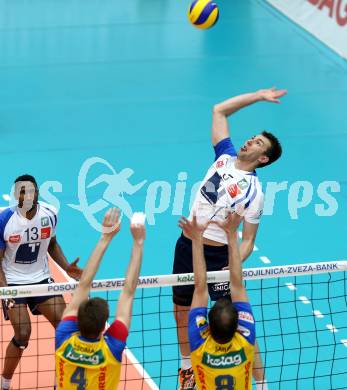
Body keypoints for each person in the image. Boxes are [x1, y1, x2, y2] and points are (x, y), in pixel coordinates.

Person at [173, 88, 286, 389]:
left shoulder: (255, 193)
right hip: (187, 246)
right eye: (253, 136)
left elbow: (248, 239)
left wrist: (230, 263)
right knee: (181, 308)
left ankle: (260, 383)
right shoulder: (224, 156)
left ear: (263, 158)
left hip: (219, 257)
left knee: (239, 321)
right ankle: (186, 369)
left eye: (258, 143)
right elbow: (219, 110)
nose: (250, 140)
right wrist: (259, 96)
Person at [0, 175, 82, 390]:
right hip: (13, 283)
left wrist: (67, 268)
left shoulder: (50, 214)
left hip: (41, 280)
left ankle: (61, 382)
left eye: (31, 191)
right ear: (16, 195)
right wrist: (5, 292)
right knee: (23, 334)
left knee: (67, 328)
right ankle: (4, 383)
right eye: (22, 191)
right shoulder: (5, 220)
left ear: (37, 192)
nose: (27, 195)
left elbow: (52, 243)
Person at [55, 209, 146, 389]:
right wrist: (139, 242)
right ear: (105, 325)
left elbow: (84, 284)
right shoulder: (112, 348)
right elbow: (128, 291)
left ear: (77, 320)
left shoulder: (64, 336)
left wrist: (105, 237)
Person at [179, 212, 255, 390]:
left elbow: (199, 288)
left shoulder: (200, 343)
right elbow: (237, 285)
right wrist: (231, 234)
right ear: (237, 325)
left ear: (208, 328)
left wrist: (197, 239)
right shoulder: (245, 339)